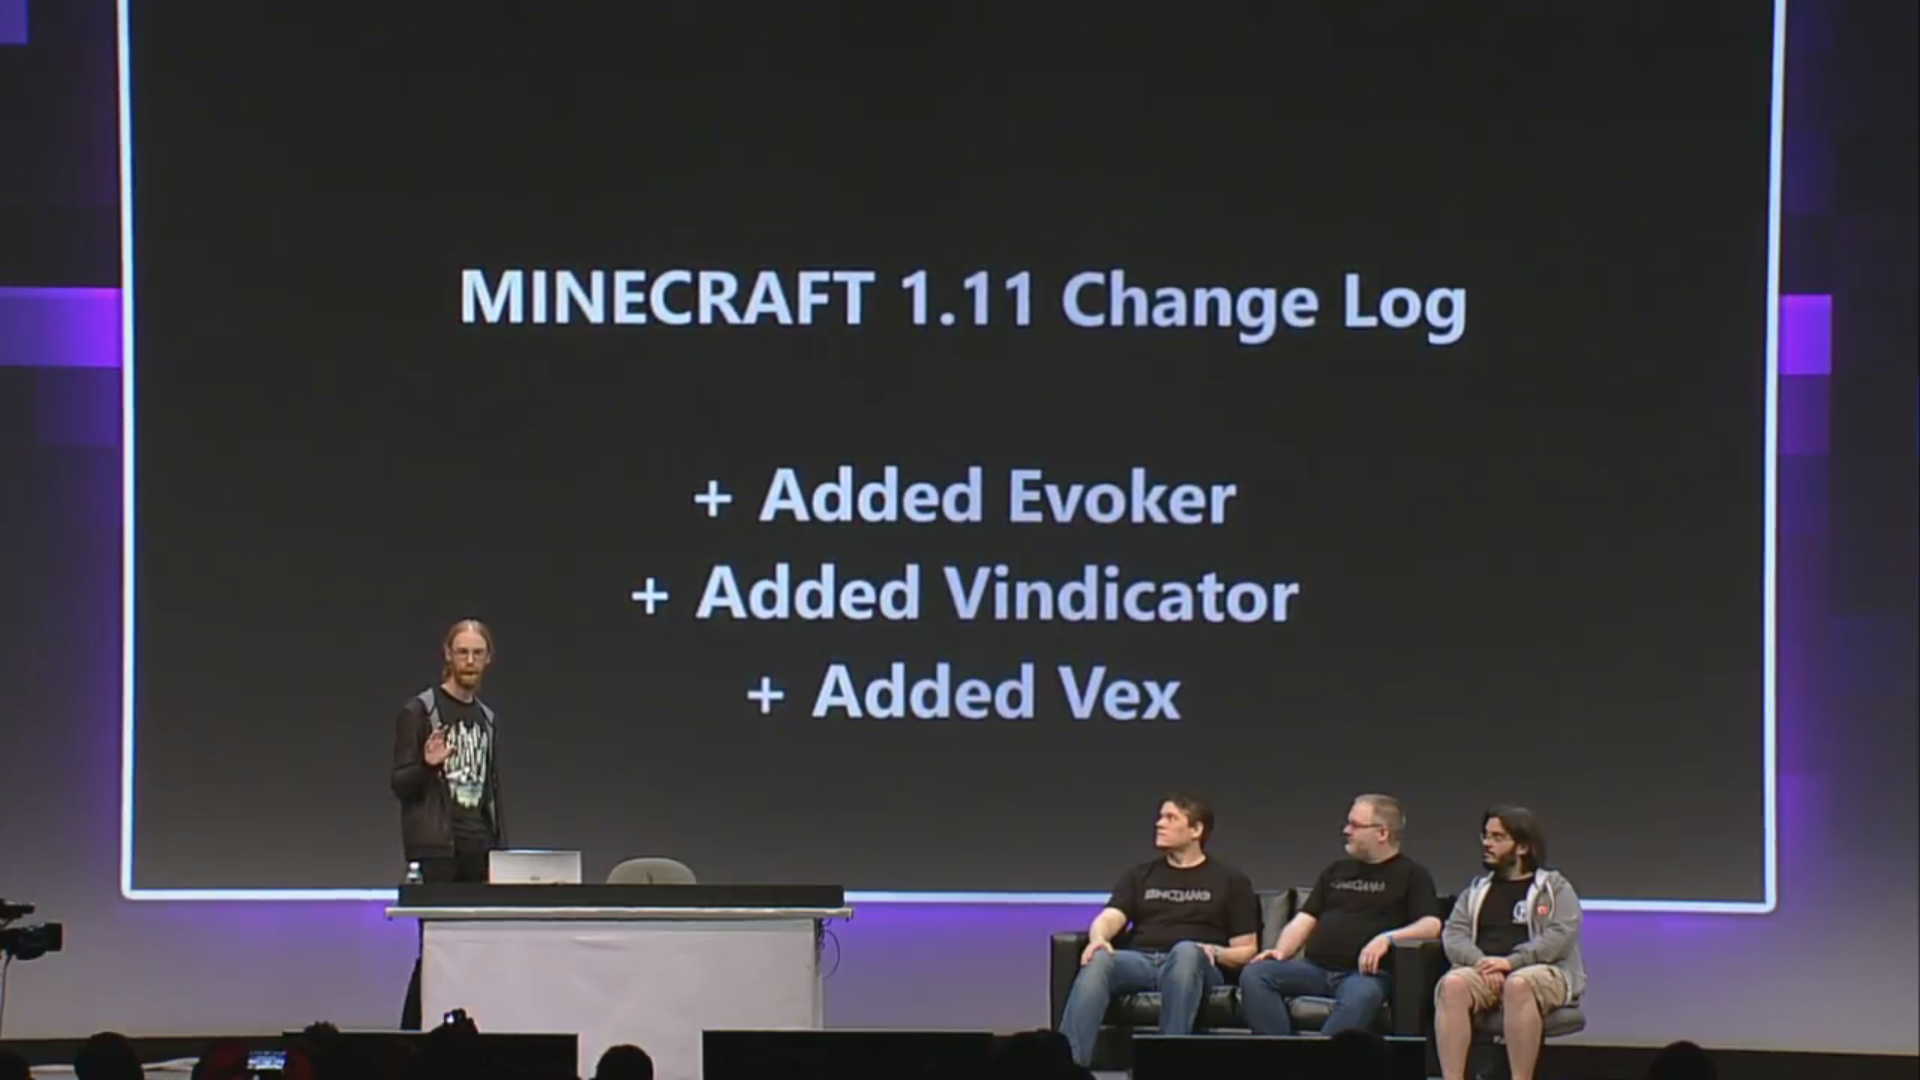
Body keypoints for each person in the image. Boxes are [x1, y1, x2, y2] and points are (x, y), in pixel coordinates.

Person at [1057, 794, 1260, 1067]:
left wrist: (1212, 951)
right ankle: (1066, 1067)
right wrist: (1098, 939)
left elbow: (1247, 950)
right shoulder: (1140, 875)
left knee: (1185, 950)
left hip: (1195, 966)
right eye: (1161, 817)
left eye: (1171, 818)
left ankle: (1166, 1066)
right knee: (1100, 959)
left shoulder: (1230, 880)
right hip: (1142, 962)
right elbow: (1110, 917)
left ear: (1196, 830)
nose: (1159, 824)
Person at [1239, 794, 1442, 1036]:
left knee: (1363, 995)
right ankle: (1281, 1053)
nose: (1346, 831)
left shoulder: (1412, 875)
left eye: (1355, 825)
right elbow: (1306, 918)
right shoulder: (1336, 871)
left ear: (1382, 833)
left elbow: (1431, 924)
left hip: (1364, 975)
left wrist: (1387, 939)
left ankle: (1326, 1058)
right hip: (1315, 969)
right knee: (1256, 974)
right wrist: (1281, 952)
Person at [395, 618, 507, 1029]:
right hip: (437, 849)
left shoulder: (487, 718)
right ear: (448, 655)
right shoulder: (420, 711)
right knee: (436, 950)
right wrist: (427, 765)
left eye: (477, 653)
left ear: (488, 659)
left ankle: (468, 1035)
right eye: (462, 652)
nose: (470, 660)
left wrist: (500, 850)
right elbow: (400, 783)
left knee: (476, 950)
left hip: (480, 848)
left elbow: (491, 790)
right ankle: (413, 1034)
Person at [1435, 806, 1585, 1080]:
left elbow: (1559, 937)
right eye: (1485, 836)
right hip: (1486, 970)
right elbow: (1454, 934)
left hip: (1544, 971)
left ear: (1523, 847)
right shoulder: (1477, 890)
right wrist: (1482, 963)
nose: (1487, 843)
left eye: (1497, 837)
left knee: (1518, 984)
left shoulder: (1554, 887)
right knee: (1452, 984)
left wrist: (1510, 963)